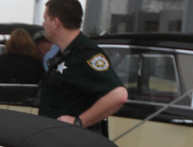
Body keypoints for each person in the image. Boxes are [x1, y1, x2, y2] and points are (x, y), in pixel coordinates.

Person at [38, 0, 127, 132]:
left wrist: (79, 121)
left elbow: (118, 95)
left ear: (56, 22)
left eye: (45, 18)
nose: (43, 23)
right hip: (57, 139)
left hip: (74, 143)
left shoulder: (85, 54)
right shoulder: (66, 53)